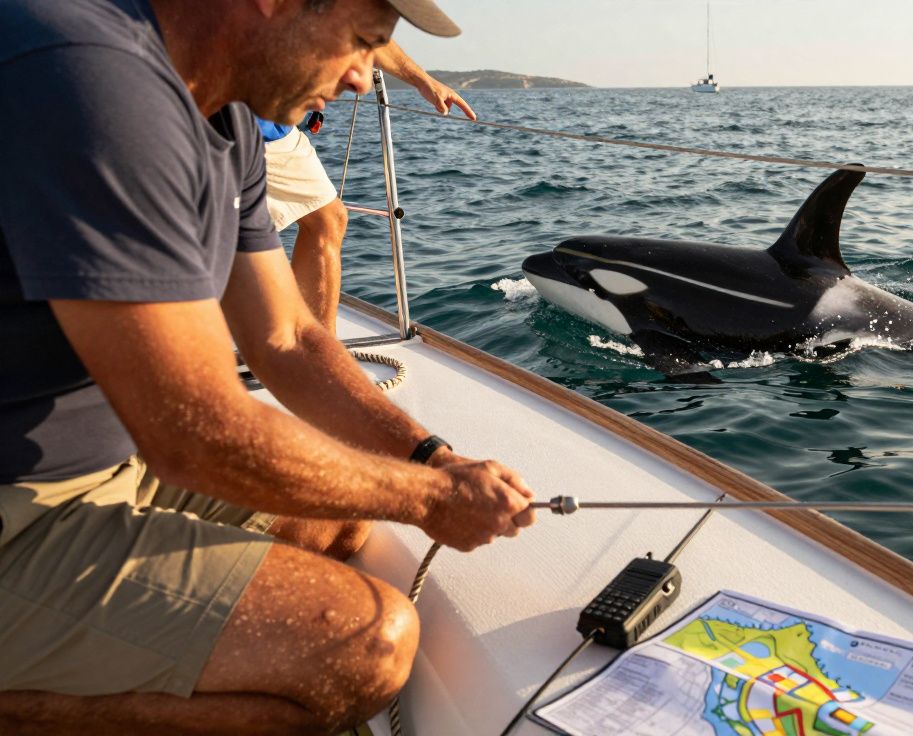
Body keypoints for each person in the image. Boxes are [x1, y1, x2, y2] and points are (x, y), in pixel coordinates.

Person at [0, 0, 534, 734]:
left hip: (101, 467)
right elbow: (194, 435)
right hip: (17, 505)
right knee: (364, 647)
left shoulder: (227, 120)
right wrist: (427, 499)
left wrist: (433, 459)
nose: (359, 79)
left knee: (343, 525)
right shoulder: (88, 77)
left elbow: (286, 338)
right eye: (360, 42)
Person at [264, 40, 476, 335]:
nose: (360, 83)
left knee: (328, 219)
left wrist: (423, 81)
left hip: (275, 128)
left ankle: (318, 348)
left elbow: (363, 33)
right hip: (216, 118)